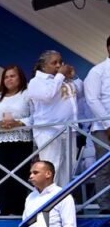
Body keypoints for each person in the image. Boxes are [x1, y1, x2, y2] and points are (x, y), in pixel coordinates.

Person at [0, 64, 35, 216]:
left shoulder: (28, 94)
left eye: (13, 76)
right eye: (6, 77)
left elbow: (36, 116)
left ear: (20, 78)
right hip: (0, 143)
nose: (9, 79)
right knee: (2, 179)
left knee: (19, 177)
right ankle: (5, 212)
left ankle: (20, 212)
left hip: (22, 141)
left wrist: (19, 123)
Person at [28, 50, 80, 183]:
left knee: (69, 169)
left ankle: (64, 199)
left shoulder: (62, 79)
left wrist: (73, 77)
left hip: (69, 129)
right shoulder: (36, 81)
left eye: (60, 62)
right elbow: (48, 95)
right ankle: (51, 202)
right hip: (48, 131)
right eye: (54, 62)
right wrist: (60, 76)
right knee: (51, 168)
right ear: (44, 66)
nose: (59, 65)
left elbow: (81, 93)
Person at [84, 35, 110, 212]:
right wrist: (108, 124)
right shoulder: (97, 71)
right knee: (105, 167)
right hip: (104, 128)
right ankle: (105, 207)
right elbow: (92, 99)